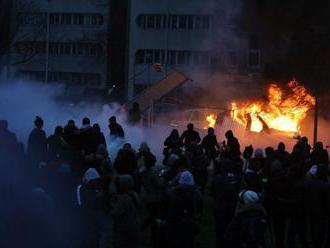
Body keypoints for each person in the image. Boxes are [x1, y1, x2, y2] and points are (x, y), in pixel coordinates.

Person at [162, 171, 203, 248]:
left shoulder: (171, 192)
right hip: (189, 225)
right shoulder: (197, 194)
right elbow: (199, 210)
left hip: (174, 225)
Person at [111, 175, 142, 248]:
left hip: (125, 229)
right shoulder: (134, 194)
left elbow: (114, 214)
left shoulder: (123, 198)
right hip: (135, 224)